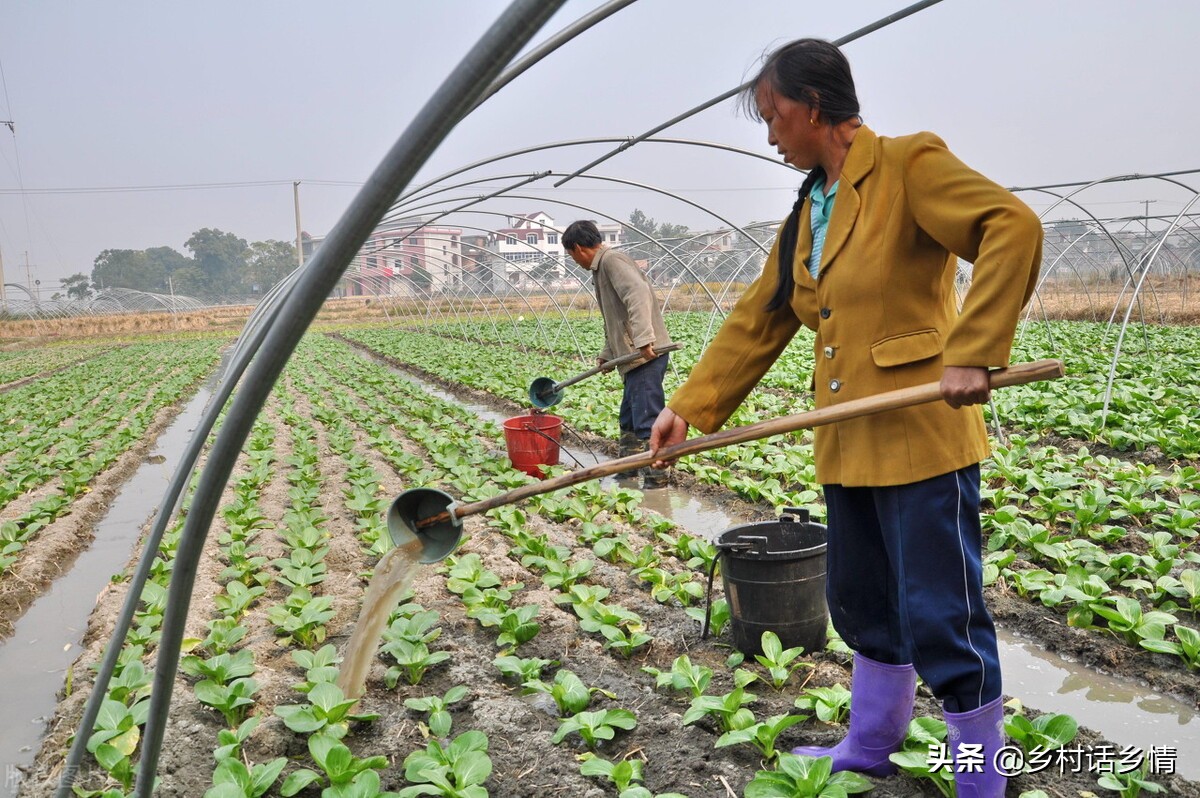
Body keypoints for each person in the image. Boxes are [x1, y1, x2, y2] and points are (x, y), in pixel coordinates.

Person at [649, 39, 1041, 797]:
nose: (770, 136)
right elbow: (760, 318)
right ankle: (869, 742)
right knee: (861, 602)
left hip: (923, 436)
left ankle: (982, 775)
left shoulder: (907, 166)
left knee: (943, 615)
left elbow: (1011, 226)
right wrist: (687, 411)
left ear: (813, 107)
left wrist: (974, 349)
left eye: (773, 117)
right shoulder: (810, 208)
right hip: (848, 439)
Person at [563, 219, 674, 488]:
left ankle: (656, 481)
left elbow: (637, 295)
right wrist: (607, 353)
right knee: (628, 419)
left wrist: (644, 338)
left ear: (577, 248)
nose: (573, 260)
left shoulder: (612, 261)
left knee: (646, 420)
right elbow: (614, 319)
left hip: (646, 356)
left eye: (570, 255)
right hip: (631, 357)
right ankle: (628, 472)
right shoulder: (600, 269)